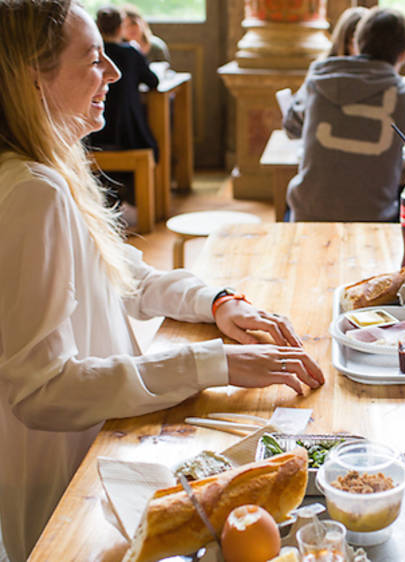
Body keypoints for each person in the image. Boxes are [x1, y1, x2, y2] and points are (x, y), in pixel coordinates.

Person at [0, 2, 324, 560]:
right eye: (93, 59)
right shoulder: (32, 191)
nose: (116, 73)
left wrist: (217, 301)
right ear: (34, 77)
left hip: (106, 440)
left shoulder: (49, 168)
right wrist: (213, 364)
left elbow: (122, 271)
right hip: (67, 480)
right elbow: (41, 392)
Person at [283, 7, 405, 222]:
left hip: (308, 216)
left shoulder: (318, 80)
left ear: (357, 44)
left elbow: (291, 127)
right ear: (404, 54)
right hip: (374, 219)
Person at [87, 5, 159, 210]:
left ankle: (110, 195)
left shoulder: (90, 55)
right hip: (127, 134)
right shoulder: (130, 53)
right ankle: (139, 198)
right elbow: (153, 81)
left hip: (93, 136)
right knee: (152, 143)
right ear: (121, 28)